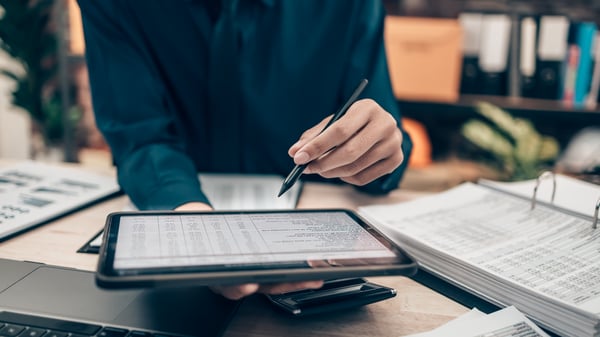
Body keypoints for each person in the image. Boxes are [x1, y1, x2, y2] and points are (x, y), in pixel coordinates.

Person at [77, 0, 413, 300]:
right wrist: (192, 226)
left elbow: (378, 129)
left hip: (318, 247)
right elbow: (139, 135)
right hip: (177, 249)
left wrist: (378, 152)